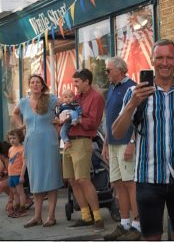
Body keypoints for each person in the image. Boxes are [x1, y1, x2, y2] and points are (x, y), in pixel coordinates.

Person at [112, 39, 174, 240]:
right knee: (151, 237)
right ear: (152, 60)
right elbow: (117, 132)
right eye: (159, 57)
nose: (165, 62)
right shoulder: (135, 94)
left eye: (169, 57)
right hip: (148, 180)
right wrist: (132, 103)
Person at [12, 74, 63, 228]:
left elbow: (66, 105)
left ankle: (51, 217)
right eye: (32, 82)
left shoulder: (51, 99)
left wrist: (60, 123)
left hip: (49, 142)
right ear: (29, 85)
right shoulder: (23, 102)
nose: (35, 84)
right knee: (36, 179)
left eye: (38, 82)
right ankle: (37, 217)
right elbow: (15, 113)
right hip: (31, 144)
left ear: (42, 85)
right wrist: (20, 125)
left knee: (51, 178)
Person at [101, 57, 141, 240]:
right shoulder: (112, 88)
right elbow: (110, 118)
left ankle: (137, 225)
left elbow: (135, 117)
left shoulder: (132, 88)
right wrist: (105, 143)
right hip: (114, 143)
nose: (106, 73)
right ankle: (124, 223)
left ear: (120, 70)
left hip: (126, 142)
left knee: (130, 184)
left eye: (108, 70)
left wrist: (132, 143)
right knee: (118, 183)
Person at [63, 68, 105, 231]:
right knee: (73, 180)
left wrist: (78, 119)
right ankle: (86, 216)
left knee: (83, 179)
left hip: (82, 140)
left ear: (86, 81)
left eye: (77, 82)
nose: (74, 86)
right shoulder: (77, 98)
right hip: (69, 141)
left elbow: (94, 123)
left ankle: (98, 219)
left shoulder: (96, 97)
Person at [6, 128, 28, 218]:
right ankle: (17, 206)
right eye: (10, 138)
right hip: (11, 174)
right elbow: (10, 162)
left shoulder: (22, 149)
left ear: (20, 138)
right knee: (14, 192)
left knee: (20, 192)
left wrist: (22, 175)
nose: (12, 140)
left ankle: (22, 208)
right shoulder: (11, 149)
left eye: (14, 138)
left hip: (18, 174)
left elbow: (24, 163)